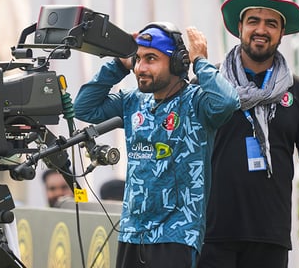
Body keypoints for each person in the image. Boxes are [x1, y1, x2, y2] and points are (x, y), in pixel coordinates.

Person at [73, 22, 239, 268]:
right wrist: (119, 65)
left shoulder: (197, 103)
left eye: (151, 59)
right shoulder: (132, 101)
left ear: (176, 63)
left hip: (177, 234)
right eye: (138, 59)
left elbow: (227, 102)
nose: (140, 67)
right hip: (131, 231)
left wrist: (200, 62)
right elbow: (84, 107)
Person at [197, 0, 299, 268]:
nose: (261, 29)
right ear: (240, 28)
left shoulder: (296, 90)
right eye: (253, 21)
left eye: (271, 24)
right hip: (211, 230)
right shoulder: (209, 84)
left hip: (270, 232)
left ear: (282, 33)